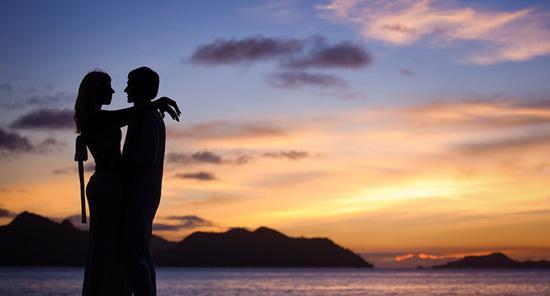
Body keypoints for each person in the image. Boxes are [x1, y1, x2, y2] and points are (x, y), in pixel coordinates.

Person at [74, 70, 180, 296]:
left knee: (118, 246)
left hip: (113, 185)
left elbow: (130, 117)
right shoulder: (96, 118)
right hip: (107, 186)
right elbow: (127, 115)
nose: (116, 91)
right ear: (95, 91)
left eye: (123, 85)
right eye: (108, 87)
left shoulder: (105, 117)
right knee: (110, 245)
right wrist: (154, 103)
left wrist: (151, 106)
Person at [120, 67, 167, 296]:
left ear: (142, 87)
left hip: (141, 191)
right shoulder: (144, 114)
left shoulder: (148, 116)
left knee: (134, 252)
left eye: (130, 83)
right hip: (142, 190)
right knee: (140, 251)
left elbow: (147, 156)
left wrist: (118, 164)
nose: (126, 88)